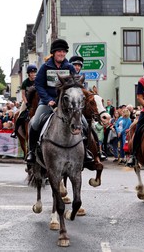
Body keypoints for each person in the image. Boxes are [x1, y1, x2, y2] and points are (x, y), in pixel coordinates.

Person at [26, 38, 93, 169]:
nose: (61, 54)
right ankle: (31, 152)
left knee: (84, 124)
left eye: (63, 52)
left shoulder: (69, 67)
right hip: (48, 102)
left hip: (67, 104)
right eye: (59, 52)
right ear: (53, 53)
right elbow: (39, 85)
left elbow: (76, 85)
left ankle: (86, 152)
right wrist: (47, 99)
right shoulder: (45, 67)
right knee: (34, 123)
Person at [10, 64, 37, 138]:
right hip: (27, 100)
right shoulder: (25, 82)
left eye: (34, 73)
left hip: (37, 101)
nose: (33, 74)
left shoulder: (38, 81)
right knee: (20, 114)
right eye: (31, 73)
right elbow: (23, 95)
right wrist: (26, 103)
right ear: (28, 74)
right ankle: (15, 132)